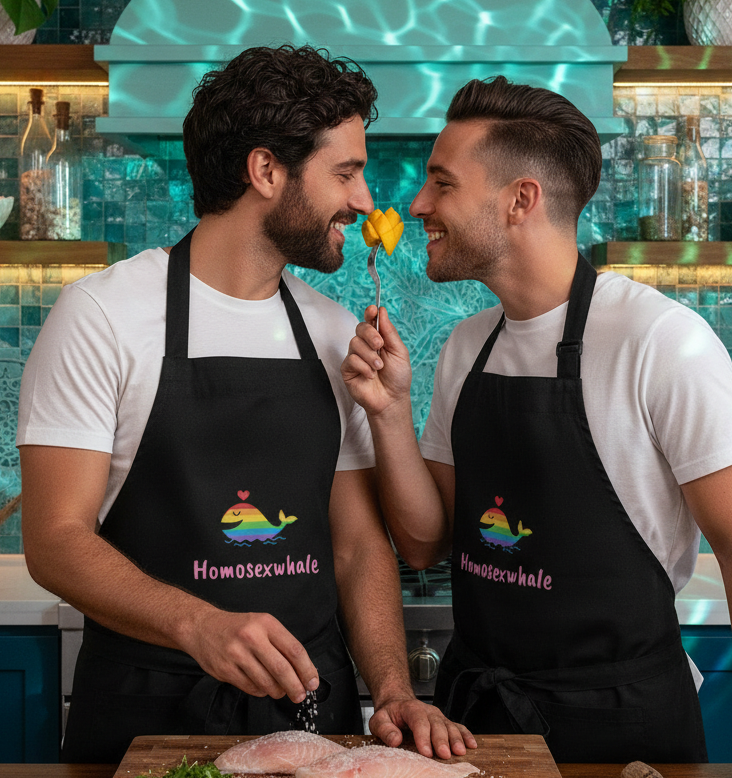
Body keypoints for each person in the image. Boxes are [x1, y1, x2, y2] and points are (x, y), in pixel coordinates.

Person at [18, 45, 475, 764]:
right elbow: (55, 539)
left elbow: (357, 546)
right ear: (266, 171)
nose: (362, 201)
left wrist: (390, 689)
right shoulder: (101, 315)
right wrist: (197, 623)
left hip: (309, 718)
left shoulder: (331, 331)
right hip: (147, 711)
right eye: (345, 173)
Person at [341, 76, 732, 772]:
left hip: (623, 728)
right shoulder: (467, 347)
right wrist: (390, 412)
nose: (418, 204)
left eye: (442, 183)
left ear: (521, 200)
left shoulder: (662, 341)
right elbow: (426, 543)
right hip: (477, 726)